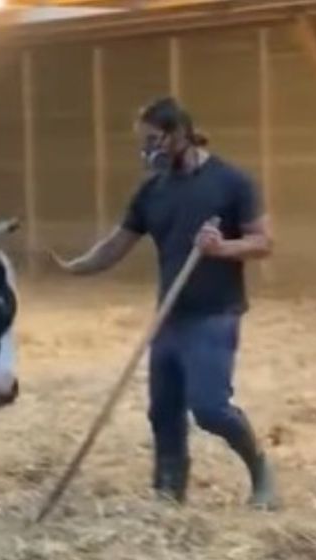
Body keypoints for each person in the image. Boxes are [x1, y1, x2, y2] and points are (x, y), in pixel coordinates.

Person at [48, 96, 278, 509]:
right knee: (163, 411)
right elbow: (115, 245)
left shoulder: (231, 182)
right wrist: (73, 268)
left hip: (214, 314)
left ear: (179, 135)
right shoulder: (152, 191)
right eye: (143, 141)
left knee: (209, 409)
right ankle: (169, 494)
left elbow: (263, 243)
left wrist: (221, 247)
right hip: (169, 316)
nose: (147, 150)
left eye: (154, 139)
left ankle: (262, 472)